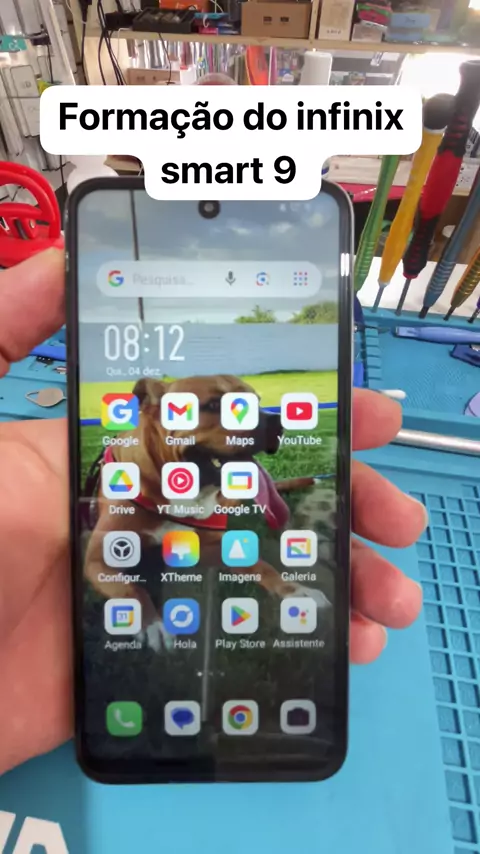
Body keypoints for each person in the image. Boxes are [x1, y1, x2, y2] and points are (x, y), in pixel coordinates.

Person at [0, 248, 426, 777]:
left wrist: (277, 581)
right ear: (152, 411)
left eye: (246, 408)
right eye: (212, 409)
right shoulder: (129, 484)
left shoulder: (212, 475)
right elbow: (97, 563)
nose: (245, 419)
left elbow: (217, 549)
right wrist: (140, 607)